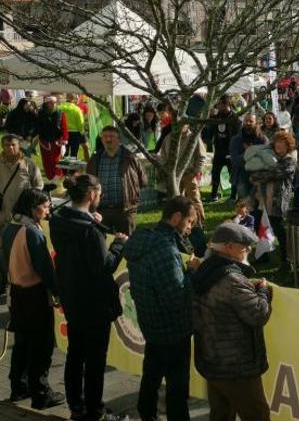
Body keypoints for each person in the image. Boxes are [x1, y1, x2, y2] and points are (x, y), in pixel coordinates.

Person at [50, 174, 128, 421]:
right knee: (94, 360)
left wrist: (95, 223)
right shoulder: (90, 232)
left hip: (72, 296)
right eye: (100, 193)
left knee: (75, 354)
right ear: (92, 195)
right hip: (94, 303)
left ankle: (76, 406)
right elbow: (104, 266)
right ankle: (95, 410)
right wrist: (118, 244)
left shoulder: (59, 219)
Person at [123, 197, 199, 421]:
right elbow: (176, 297)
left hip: (150, 322)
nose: (190, 227)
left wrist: (181, 272)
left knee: (152, 374)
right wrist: (192, 273)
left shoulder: (143, 240)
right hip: (172, 330)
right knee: (177, 386)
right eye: (190, 222)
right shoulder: (166, 250)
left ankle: (147, 413)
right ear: (176, 218)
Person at [191, 223, 272, 421]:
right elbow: (259, 313)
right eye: (244, 245)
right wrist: (263, 291)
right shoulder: (233, 281)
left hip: (212, 362)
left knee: (221, 414)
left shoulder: (203, 271)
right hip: (237, 368)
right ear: (228, 247)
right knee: (257, 414)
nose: (248, 249)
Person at [2, 188, 63, 408]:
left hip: (17, 293)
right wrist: (58, 292)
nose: (48, 209)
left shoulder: (10, 228)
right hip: (35, 295)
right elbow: (45, 269)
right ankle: (40, 393)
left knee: (22, 343)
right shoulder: (32, 232)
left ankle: (19, 387)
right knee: (41, 345)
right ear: (32, 208)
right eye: (45, 206)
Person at [86, 126, 148, 235]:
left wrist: (133, 199)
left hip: (125, 210)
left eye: (112, 136)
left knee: (127, 245)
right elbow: (88, 182)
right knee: (103, 244)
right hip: (101, 210)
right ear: (101, 139)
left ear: (119, 139)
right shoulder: (95, 159)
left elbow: (143, 181)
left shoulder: (130, 158)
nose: (108, 139)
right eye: (105, 136)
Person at [250, 131, 298, 268]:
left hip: (278, 201)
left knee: (279, 230)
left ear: (287, 145)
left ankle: (287, 260)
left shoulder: (290, 160)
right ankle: (262, 255)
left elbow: (275, 173)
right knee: (260, 227)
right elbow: (256, 171)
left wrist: (258, 176)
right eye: (276, 142)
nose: (278, 145)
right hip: (262, 199)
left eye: (281, 143)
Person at [0, 135, 44, 230]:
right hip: (3, 211)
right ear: (2, 146)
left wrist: (30, 202)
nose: (10, 147)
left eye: (13, 144)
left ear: (19, 146)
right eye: (7, 145)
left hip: (23, 214)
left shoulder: (29, 164)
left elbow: (39, 185)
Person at [207, 97, 242, 203]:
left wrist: (235, 150)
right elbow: (210, 131)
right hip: (218, 149)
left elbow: (238, 135)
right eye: (218, 105)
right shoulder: (217, 117)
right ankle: (214, 195)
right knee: (215, 173)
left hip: (231, 150)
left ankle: (233, 196)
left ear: (227, 105)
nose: (218, 107)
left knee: (233, 173)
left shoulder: (235, 119)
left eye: (220, 105)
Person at [36, 96, 68, 179]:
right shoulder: (41, 113)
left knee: (56, 160)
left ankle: (58, 178)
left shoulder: (61, 113)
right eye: (51, 102)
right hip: (44, 141)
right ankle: (50, 178)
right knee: (47, 161)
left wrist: (64, 138)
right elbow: (38, 127)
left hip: (57, 141)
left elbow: (64, 127)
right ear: (46, 104)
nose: (53, 104)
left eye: (54, 102)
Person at [59, 95, 86, 159]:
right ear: (73, 99)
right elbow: (80, 123)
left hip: (63, 132)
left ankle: (64, 168)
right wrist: (81, 132)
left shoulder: (60, 107)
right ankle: (72, 168)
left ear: (66, 98)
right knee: (74, 153)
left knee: (64, 152)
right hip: (75, 133)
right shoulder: (77, 109)